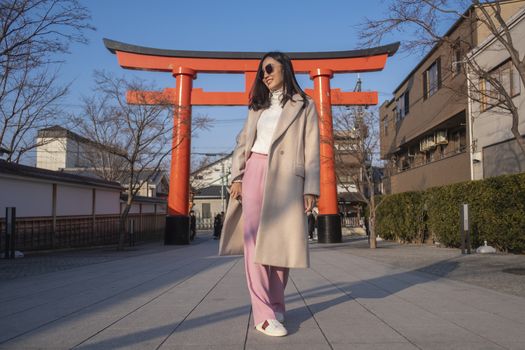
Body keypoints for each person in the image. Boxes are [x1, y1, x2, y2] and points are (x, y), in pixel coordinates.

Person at [218, 52, 320, 337]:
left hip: (288, 178)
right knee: (255, 243)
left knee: (280, 245)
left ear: (285, 69)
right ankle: (263, 313)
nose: (265, 74)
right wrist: (236, 176)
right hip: (255, 172)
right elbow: (243, 143)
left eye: (270, 68)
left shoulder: (305, 105)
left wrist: (311, 187)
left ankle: (276, 305)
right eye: (262, 71)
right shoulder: (256, 107)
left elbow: (312, 147)